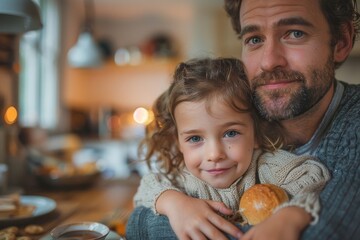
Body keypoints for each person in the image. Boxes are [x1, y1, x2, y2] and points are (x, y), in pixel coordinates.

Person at [126, 0, 360, 239]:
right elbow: (135, 223)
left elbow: (324, 233)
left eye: (295, 33)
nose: (269, 62)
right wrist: (173, 205)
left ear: (341, 41)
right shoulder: (243, 108)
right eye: (255, 39)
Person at [128, 57, 330, 240]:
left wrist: (290, 215)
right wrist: (175, 204)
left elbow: (313, 175)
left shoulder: (267, 167)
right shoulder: (182, 178)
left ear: (256, 134)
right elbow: (147, 189)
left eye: (230, 133)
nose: (214, 154)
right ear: (179, 142)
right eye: (195, 138)